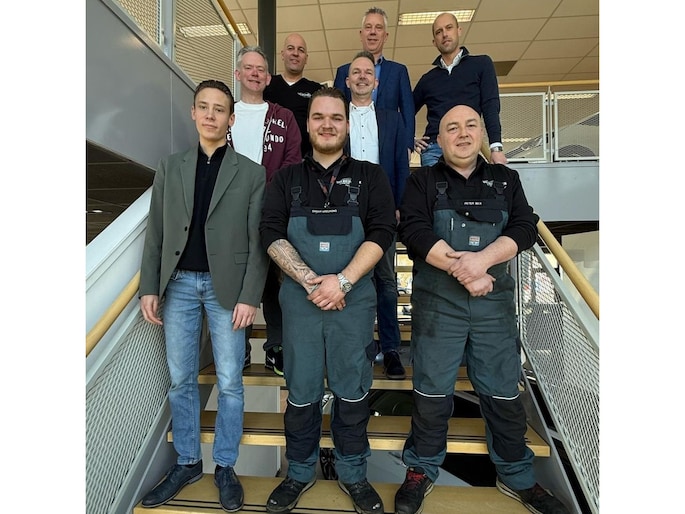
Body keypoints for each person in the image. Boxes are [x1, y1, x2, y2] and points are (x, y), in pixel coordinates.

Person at [393, 104, 569, 514]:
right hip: (439, 307)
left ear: (482, 134)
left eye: (470, 125)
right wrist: (468, 271)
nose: (462, 133)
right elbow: (413, 230)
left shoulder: (506, 180)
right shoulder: (422, 181)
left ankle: (517, 476)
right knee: (432, 391)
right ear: (439, 140)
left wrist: (482, 262)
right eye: (452, 128)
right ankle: (421, 468)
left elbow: (524, 226)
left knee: (503, 392)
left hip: (494, 306)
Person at [260, 87, 396, 514]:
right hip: (299, 304)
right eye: (318, 116)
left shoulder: (371, 177)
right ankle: (299, 473)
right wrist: (310, 282)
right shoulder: (285, 180)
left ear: (347, 124)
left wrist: (342, 282)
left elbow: (382, 233)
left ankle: (353, 474)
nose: (327, 124)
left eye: (336, 117)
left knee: (352, 393)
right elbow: (270, 232)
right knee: (301, 394)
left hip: (353, 304)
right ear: (307, 124)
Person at [138, 80, 268, 512]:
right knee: (181, 379)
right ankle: (189, 461)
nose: (211, 115)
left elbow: (257, 242)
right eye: (204, 107)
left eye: (219, 109)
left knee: (230, 381)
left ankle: (225, 465)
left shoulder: (251, 173)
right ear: (193, 113)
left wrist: (250, 296)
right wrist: (150, 286)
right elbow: (157, 231)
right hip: (178, 285)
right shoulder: (170, 167)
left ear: (231, 119)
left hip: (226, 288)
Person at [227, 45, 302, 377]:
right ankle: (239, 348)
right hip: (231, 212)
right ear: (238, 73)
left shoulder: (283, 117)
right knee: (236, 279)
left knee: (276, 280)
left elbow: (292, 162)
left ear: (268, 78)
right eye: (249, 67)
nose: (255, 73)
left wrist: (269, 197)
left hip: (272, 210)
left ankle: (276, 348)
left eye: (260, 69)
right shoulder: (226, 114)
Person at [345, 50, 408, 380]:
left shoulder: (391, 119)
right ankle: (355, 346)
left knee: (385, 281)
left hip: (383, 210)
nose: (362, 77)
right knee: (350, 279)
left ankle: (391, 349)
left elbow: (400, 165)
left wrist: (399, 204)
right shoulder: (337, 116)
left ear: (376, 82)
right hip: (345, 210)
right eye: (356, 72)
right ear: (347, 81)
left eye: (368, 72)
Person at [413, 12, 508, 167]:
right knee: (432, 185)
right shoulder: (427, 80)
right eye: (439, 32)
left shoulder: (481, 64)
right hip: (434, 150)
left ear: (459, 31)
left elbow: (490, 106)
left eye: (449, 28)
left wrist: (496, 148)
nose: (444, 34)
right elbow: (405, 112)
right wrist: (410, 139)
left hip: (466, 145)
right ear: (434, 41)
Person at [334, 6, 414, 156]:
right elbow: (336, 110)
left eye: (378, 28)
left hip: (388, 147)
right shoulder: (344, 71)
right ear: (361, 34)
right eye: (368, 27)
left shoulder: (398, 71)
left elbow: (407, 111)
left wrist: (407, 146)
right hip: (351, 148)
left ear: (386, 36)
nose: (372, 32)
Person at [264, 33, 324, 157]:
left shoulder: (316, 90)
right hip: (269, 159)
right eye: (290, 48)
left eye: (300, 50)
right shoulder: (267, 84)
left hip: (304, 160)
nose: (295, 53)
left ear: (306, 58)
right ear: (282, 54)